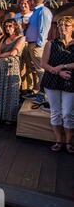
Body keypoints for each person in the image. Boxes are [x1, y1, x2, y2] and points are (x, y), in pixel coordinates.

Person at [40, 16, 74, 153]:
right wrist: (58, 72)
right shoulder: (51, 44)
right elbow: (43, 64)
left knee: (67, 113)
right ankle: (59, 140)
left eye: (66, 25)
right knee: (55, 112)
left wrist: (63, 66)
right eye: (60, 25)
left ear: (72, 28)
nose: (63, 27)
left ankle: (69, 141)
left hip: (71, 81)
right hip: (52, 80)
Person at [0, 19, 25, 123]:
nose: (8, 28)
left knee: (10, 91)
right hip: (0, 66)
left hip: (11, 66)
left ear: (15, 27)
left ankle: (9, 118)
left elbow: (14, 52)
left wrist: (1, 55)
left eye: (10, 26)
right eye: (6, 26)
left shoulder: (21, 38)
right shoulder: (3, 39)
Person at [22, 0, 53, 104]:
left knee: (41, 70)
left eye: (29, 1)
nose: (28, 3)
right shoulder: (36, 12)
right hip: (32, 43)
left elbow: (43, 29)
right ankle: (40, 92)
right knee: (38, 70)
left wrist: (38, 44)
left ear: (32, 1)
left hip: (37, 45)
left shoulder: (43, 11)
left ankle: (44, 94)